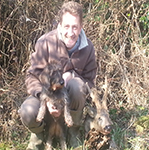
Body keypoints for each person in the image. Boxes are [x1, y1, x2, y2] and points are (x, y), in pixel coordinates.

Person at [19, 1, 97, 150]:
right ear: (60, 25)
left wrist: (72, 76)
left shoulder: (88, 48)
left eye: (75, 27)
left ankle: (72, 131)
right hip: (46, 96)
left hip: (70, 102)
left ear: (81, 27)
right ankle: (39, 134)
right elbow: (31, 76)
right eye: (67, 26)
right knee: (27, 111)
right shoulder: (45, 42)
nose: (71, 32)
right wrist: (45, 98)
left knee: (76, 85)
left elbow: (90, 81)